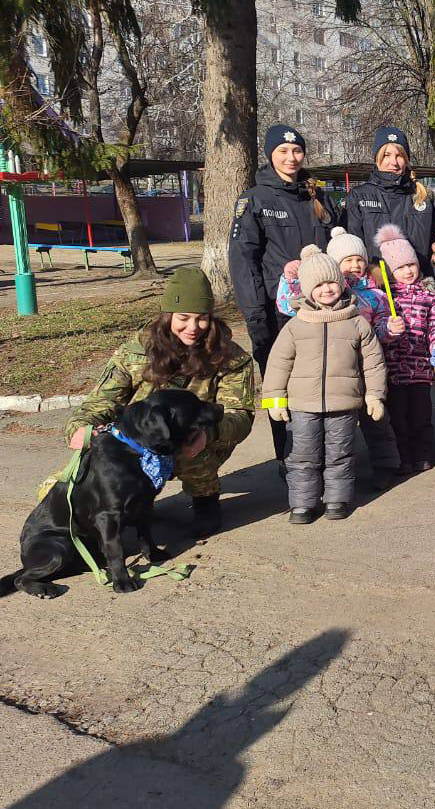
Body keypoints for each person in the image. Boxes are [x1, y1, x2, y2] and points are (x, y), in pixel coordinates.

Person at [59, 268, 255, 538]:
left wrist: (208, 435)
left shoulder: (231, 358)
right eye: (183, 318)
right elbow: (100, 402)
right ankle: (133, 501)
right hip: (138, 440)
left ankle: (205, 499)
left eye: (202, 319)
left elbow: (240, 415)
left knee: (193, 452)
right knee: (64, 486)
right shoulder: (135, 351)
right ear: (168, 316)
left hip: (192, 442)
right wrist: (80, 428)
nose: (193, 328)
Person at [229, 123, 340, 461]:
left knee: (325, 381)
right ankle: (290, 460)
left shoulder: (318, 196)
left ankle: (325, 456)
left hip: (324, 310)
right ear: (270, 154)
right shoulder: (255, 199)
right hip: (279, 315)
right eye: (283, 151)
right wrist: (255, 314)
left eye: (296, 151)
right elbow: (242, 260)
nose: (291, 158)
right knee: (283, 388)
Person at [262, 246, 388, 524]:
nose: (326, 289)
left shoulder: (356, 322)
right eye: (318, 285)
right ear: (307, 290)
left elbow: (373, 362)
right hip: (302, 404)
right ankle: (303, 504)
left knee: (340, 452)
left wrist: (375, 396)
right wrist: (274, 399)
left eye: (330, 281)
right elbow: (278, 364)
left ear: (341, 283)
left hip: (343, 403)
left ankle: (337, 499)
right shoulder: (296, 326)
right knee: (303, 454)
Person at [375, 224, 435, 474]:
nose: (407, 271)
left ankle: (422, 453)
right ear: (390, 271)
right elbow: (375, 328)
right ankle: (403, 456)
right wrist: (388, 329)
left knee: (421, 416)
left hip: (420, 369)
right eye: (400, 267)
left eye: (410, 265)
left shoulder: (428, 296)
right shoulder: (385, 298)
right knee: (398, 417)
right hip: (395, 371)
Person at [343, 126, 435, 286]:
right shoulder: (359, 196)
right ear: (377, 158)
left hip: (419, 288)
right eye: (386, 155)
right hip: (377, 290)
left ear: (407, 159)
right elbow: (352, 246)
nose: (393, 162)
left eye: (399, 155)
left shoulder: (424, 196)